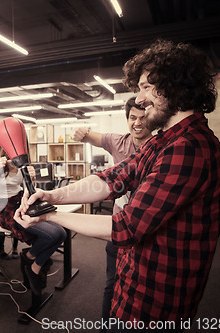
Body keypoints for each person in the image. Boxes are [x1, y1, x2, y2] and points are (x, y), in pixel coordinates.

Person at [15, 39, 220, 329]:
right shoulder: (164, 142)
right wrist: (51, 195)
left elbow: (127, 227)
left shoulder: (188, 147)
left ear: (173, 85)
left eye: (144, 88)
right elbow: (112, 179)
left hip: (156, 305)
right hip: (134, 288)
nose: (139, 99)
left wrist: (48, 214)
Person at [72, 97, 152, 327]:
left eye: (143, 118)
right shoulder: (119, 142)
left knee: (141, 287)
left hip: (145, 227)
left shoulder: (161, 147)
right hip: (118, 225)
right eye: (132, 118)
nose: (137, 123)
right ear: (127, 119)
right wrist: (81, 131)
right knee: (112, 282)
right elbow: (90, 135)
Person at [0, 149, 66, 295]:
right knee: (53, 234)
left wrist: (32, 179)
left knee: (62, 233)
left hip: (21, 204)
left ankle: (31, 260)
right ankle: (33, 264)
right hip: (5, 211)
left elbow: (29, 192)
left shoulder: (22, 165)